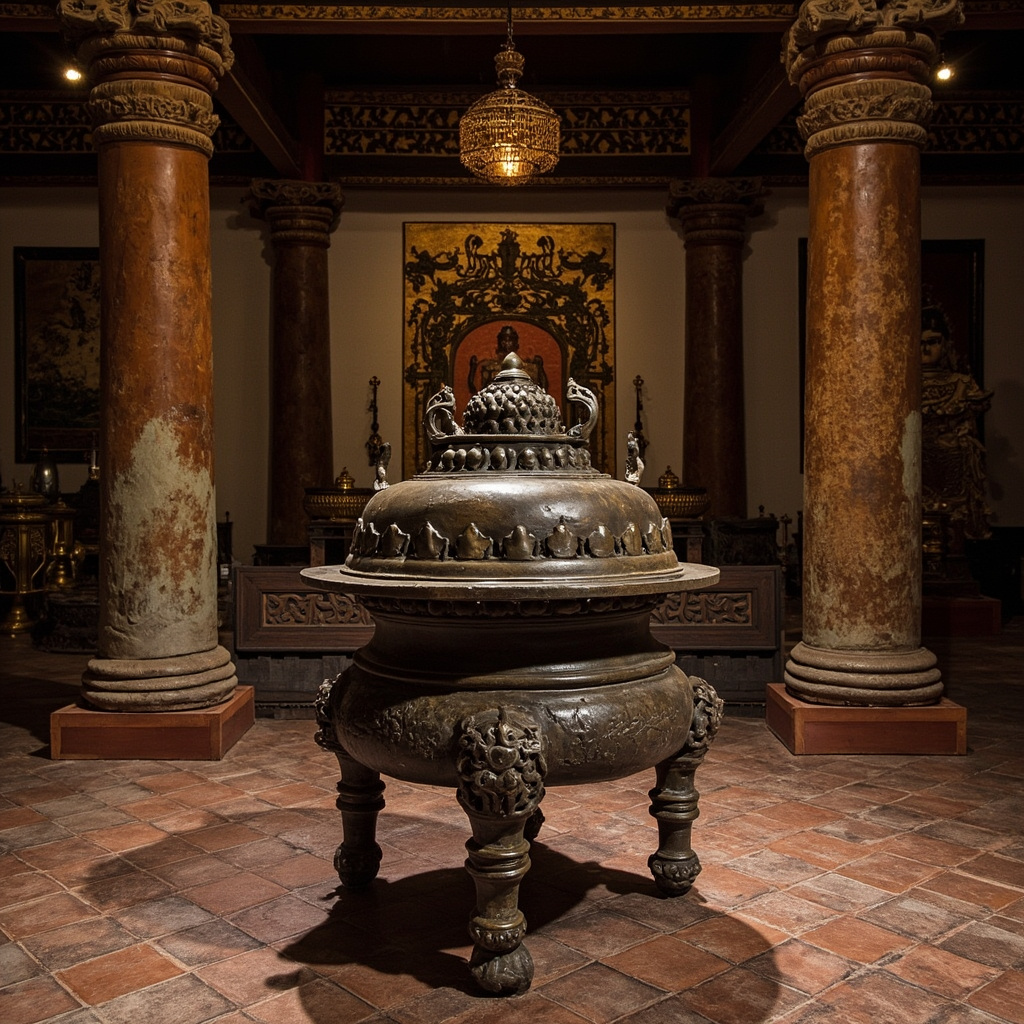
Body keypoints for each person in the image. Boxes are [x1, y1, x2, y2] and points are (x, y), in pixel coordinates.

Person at [920, 304, 992, 541]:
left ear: (945, 344)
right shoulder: (900, 387)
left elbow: (975, 415)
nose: (926, 348)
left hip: (953, 469)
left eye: (933, 341)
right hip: (916, 468)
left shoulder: (962, 383)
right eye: (920, 342)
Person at [468, 324, 547, 393]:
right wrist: (473, 367)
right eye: (503, 340)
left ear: (516, 342)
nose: (506, 343)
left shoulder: (530, 366)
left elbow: (543, 387)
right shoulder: (489, 366)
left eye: (509, 340)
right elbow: (476, 387)